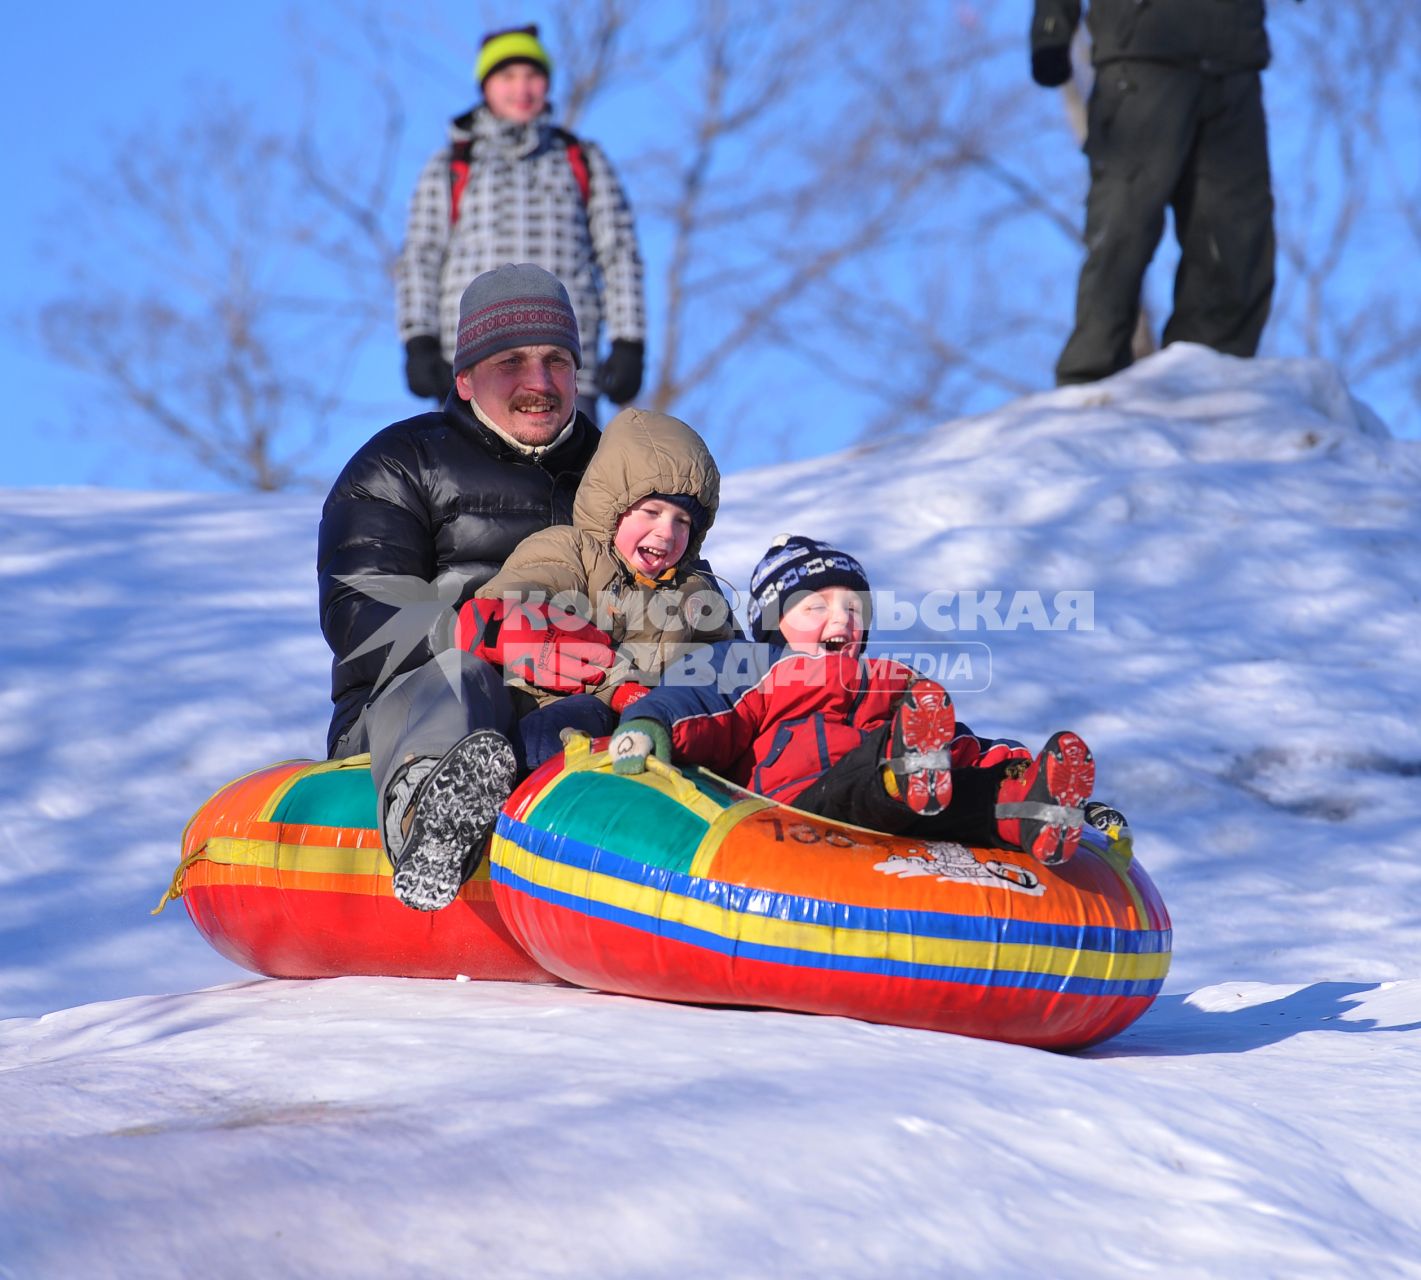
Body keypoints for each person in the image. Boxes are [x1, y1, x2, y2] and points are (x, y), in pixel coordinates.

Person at [319, 262, 618, 913]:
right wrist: (488, 633)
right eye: (511, 361)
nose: (538, 383)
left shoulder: (616, 477)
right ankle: (427, 823)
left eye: (557, 361)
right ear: (464, 376)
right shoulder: (400, 463)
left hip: (570, 712)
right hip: (409, 711)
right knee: (466, 677)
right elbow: (359, 614)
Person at [609, 535, 1123, 865]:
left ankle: (1032, 806)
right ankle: (901, 770)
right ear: (774, 624)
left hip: (904, 811)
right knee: (877, 771)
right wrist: (649, 724)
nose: (842, 620)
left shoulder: (894, 683)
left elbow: (961, 746)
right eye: (816, 606)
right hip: (794, 811)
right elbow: (696, 705)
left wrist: (1014, 767)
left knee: (960, 788)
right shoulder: (752, 667)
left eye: (854, 608)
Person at [455, 405, 736, 770]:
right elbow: (508, 609)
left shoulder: (697, 595)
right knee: (571, 722)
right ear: (611, 505)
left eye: (682, 521)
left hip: (658, 726)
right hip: (559, 709)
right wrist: (617, 689)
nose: (667, 533)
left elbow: (726, 671)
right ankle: (499, 791)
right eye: (651, 512)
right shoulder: (570, 552)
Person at [395, 23, 645, 420]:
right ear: (486, 86)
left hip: (564, 367)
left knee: (570, 480)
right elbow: (421, 257)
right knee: (468, 479)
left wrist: (629, 341)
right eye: (507, 76)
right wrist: (419, 341)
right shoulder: (451, 166)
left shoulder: (583, 160)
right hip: (474, 364)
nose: (522, 88)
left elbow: (619, 254)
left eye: (532, 76)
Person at [1032, 0, 1276, 385]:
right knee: (1122, 226)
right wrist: (1050, 27)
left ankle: (1209, 377)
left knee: (1237, 231)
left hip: (1234, 59)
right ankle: (1090, 382)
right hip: (1141, 53)